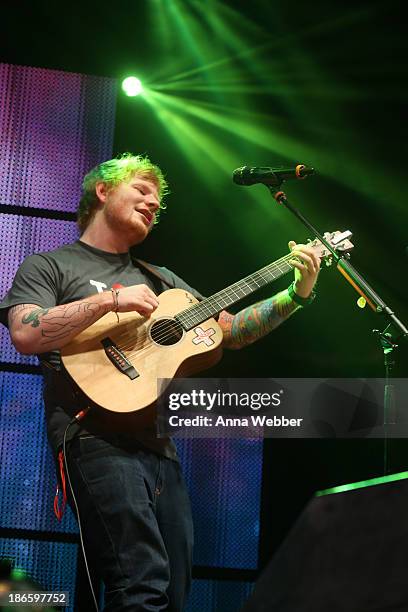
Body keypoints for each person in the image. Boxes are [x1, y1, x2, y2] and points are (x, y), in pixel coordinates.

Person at [0, 153, 320, 611]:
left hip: (158, 448)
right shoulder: (50, 265)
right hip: (93, 437)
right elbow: (27, 332)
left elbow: (230, 331)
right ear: (104, 191)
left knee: (173, 588)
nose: (153, 203)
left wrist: (294, 292)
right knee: (140, 583)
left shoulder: (161, 280)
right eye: (143, 190)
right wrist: (110, 301)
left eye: (158, 199)